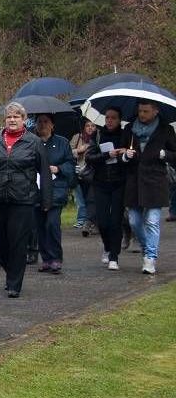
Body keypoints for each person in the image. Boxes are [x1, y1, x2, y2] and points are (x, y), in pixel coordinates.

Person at [0, 102, 51, 298]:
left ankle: (14, 283)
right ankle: (10, 271)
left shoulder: (34, 142)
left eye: (16, 116)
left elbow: (44, 172)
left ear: (24, 119)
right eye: (9, 117)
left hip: (22, 198)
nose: (12, 120)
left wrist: (46, 199)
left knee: (18, 242)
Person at [120, 100, 176, 275]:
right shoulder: (129, 129)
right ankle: (147, 249)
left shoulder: (166, 129)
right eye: (140, 111)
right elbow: (120, 151)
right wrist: (125, 156)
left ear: (155, 111)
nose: (142, 114)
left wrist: (165, 154)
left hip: (155, 180)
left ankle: (150, 257)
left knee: (152, 221)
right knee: (134, 220)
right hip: (134, 181)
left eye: (145, 111)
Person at [32, 114, 75, 274]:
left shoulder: (62, 143)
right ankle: (46, 259)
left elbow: (70, 163)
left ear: (52, 125)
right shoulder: (31, 141)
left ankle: (56, 257)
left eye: (46, 122)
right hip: (36, 189)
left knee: (52, 223)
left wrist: (58, 168)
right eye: (39, 122)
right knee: (40, 226)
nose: (42, 125)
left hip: (56, 189)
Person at [85, 107, 126, 270]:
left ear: (119, 120)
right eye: (107, 118)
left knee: (116, 220)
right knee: (102, 221)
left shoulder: (125, 135)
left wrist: (125, 154)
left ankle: (114, 256)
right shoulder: (98, 134)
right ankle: (107, 247)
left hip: (119, 182)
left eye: (113, 118)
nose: (109, 121)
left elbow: (133, 156)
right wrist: (107, 155)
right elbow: (89, 157)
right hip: (100, 182)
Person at [71, 119, 98, 233]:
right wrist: (78, 150)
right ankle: (82, 220)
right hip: (78, 171)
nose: (90, 128)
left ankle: (91, 221)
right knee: (80, 198)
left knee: (91, 197)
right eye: (88, 126)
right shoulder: (77, 137)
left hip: (93, 172)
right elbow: (68, 151)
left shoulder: (98, 138)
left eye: (93, 126)